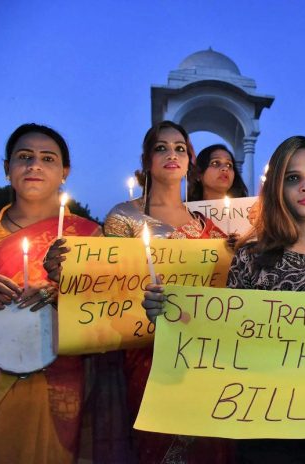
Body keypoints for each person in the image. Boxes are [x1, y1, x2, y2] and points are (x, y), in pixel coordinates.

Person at [143, 135, 305, 464]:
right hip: (266, 429)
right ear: (277, 188)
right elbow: (225, 339)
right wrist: (171, 317)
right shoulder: (250, 259)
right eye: (293, 178)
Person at [103, 121, 232, 463]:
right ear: (147, 160)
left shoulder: (206, 225)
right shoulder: (124, 218)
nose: (171, 155)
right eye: (161, 148)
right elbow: (110, 287)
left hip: (203, 355)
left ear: (190, 162)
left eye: (180, 149)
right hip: (147, 351)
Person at [0, 123, 100, 463]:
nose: (34, 165)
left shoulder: (90, 237)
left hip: (59, 381)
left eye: (47, 158)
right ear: (7, 168)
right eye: (24, 157)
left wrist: (65, 292)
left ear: (64, 172)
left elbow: (108, 311)